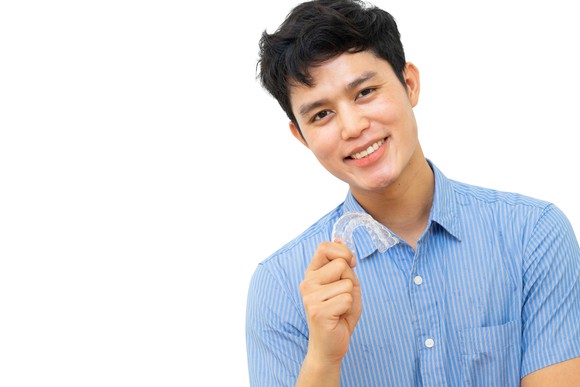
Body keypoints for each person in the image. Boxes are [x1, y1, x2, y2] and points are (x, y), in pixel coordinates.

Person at [245, 0, 580, 385]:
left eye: (365, 92)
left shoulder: (532, 235)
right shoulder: (280, 287)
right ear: (301, 137)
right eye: (321, 114)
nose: (352, 127)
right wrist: (323, 358)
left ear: (410, 84)